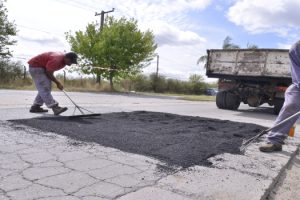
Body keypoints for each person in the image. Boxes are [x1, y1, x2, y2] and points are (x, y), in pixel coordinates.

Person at [260, 40, 300, 152]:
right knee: (291, 104)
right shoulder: (297, 48)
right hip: (299, 85)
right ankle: (274, 140)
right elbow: (298, 74)